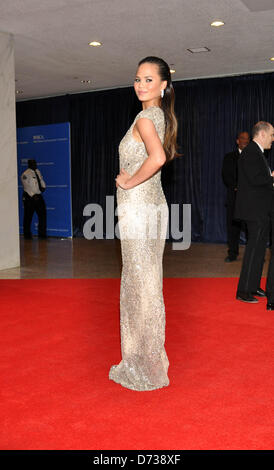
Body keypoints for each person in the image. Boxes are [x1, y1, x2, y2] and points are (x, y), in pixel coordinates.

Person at [109, 56, 179, 391]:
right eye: (138, 79)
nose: (141, 85)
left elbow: (158, 158)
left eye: (149, 80)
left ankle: (142, 365)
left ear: (164, 84)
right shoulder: (160, 116)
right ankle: (149, 359)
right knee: (146, 282)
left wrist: (128, 182)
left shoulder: (145, 117)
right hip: (152, 207)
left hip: (139, 207)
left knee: (140, 284)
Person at [235, 122, 274, 303]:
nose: (273, 139)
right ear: (263, 134)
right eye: (272, 135)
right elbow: (255, 179)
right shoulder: (251, 152)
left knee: (259, 250)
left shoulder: (257, 152)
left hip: (260, 209)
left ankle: (253, 286)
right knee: (253, 250)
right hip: (254, 210)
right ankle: (243, 291)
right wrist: (271, 178)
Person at [222, 132, 249, 262]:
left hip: (250, 199)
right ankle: (232, 253)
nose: (245, 141)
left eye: (247, 139)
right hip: (234, 197)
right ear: (237, 141)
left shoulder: (253, 157)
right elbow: (226, 176)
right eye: (243, 138)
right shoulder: (229, 157)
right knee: (233, 228)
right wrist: (236, 186)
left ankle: (252, 255)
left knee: (250, 227)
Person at [21, 159, 47, 239]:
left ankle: (42, 234)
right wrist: (32, 195)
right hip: (29, 198)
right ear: (29, 164)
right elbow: (26, 186)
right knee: (28, 216)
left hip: (38, 196)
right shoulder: (25, 174)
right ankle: (27, 235)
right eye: (33, 163)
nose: (35, 164)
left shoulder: (37, 171)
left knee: (42, 215)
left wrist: (43, 187)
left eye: (35, 163)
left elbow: (41, 180)